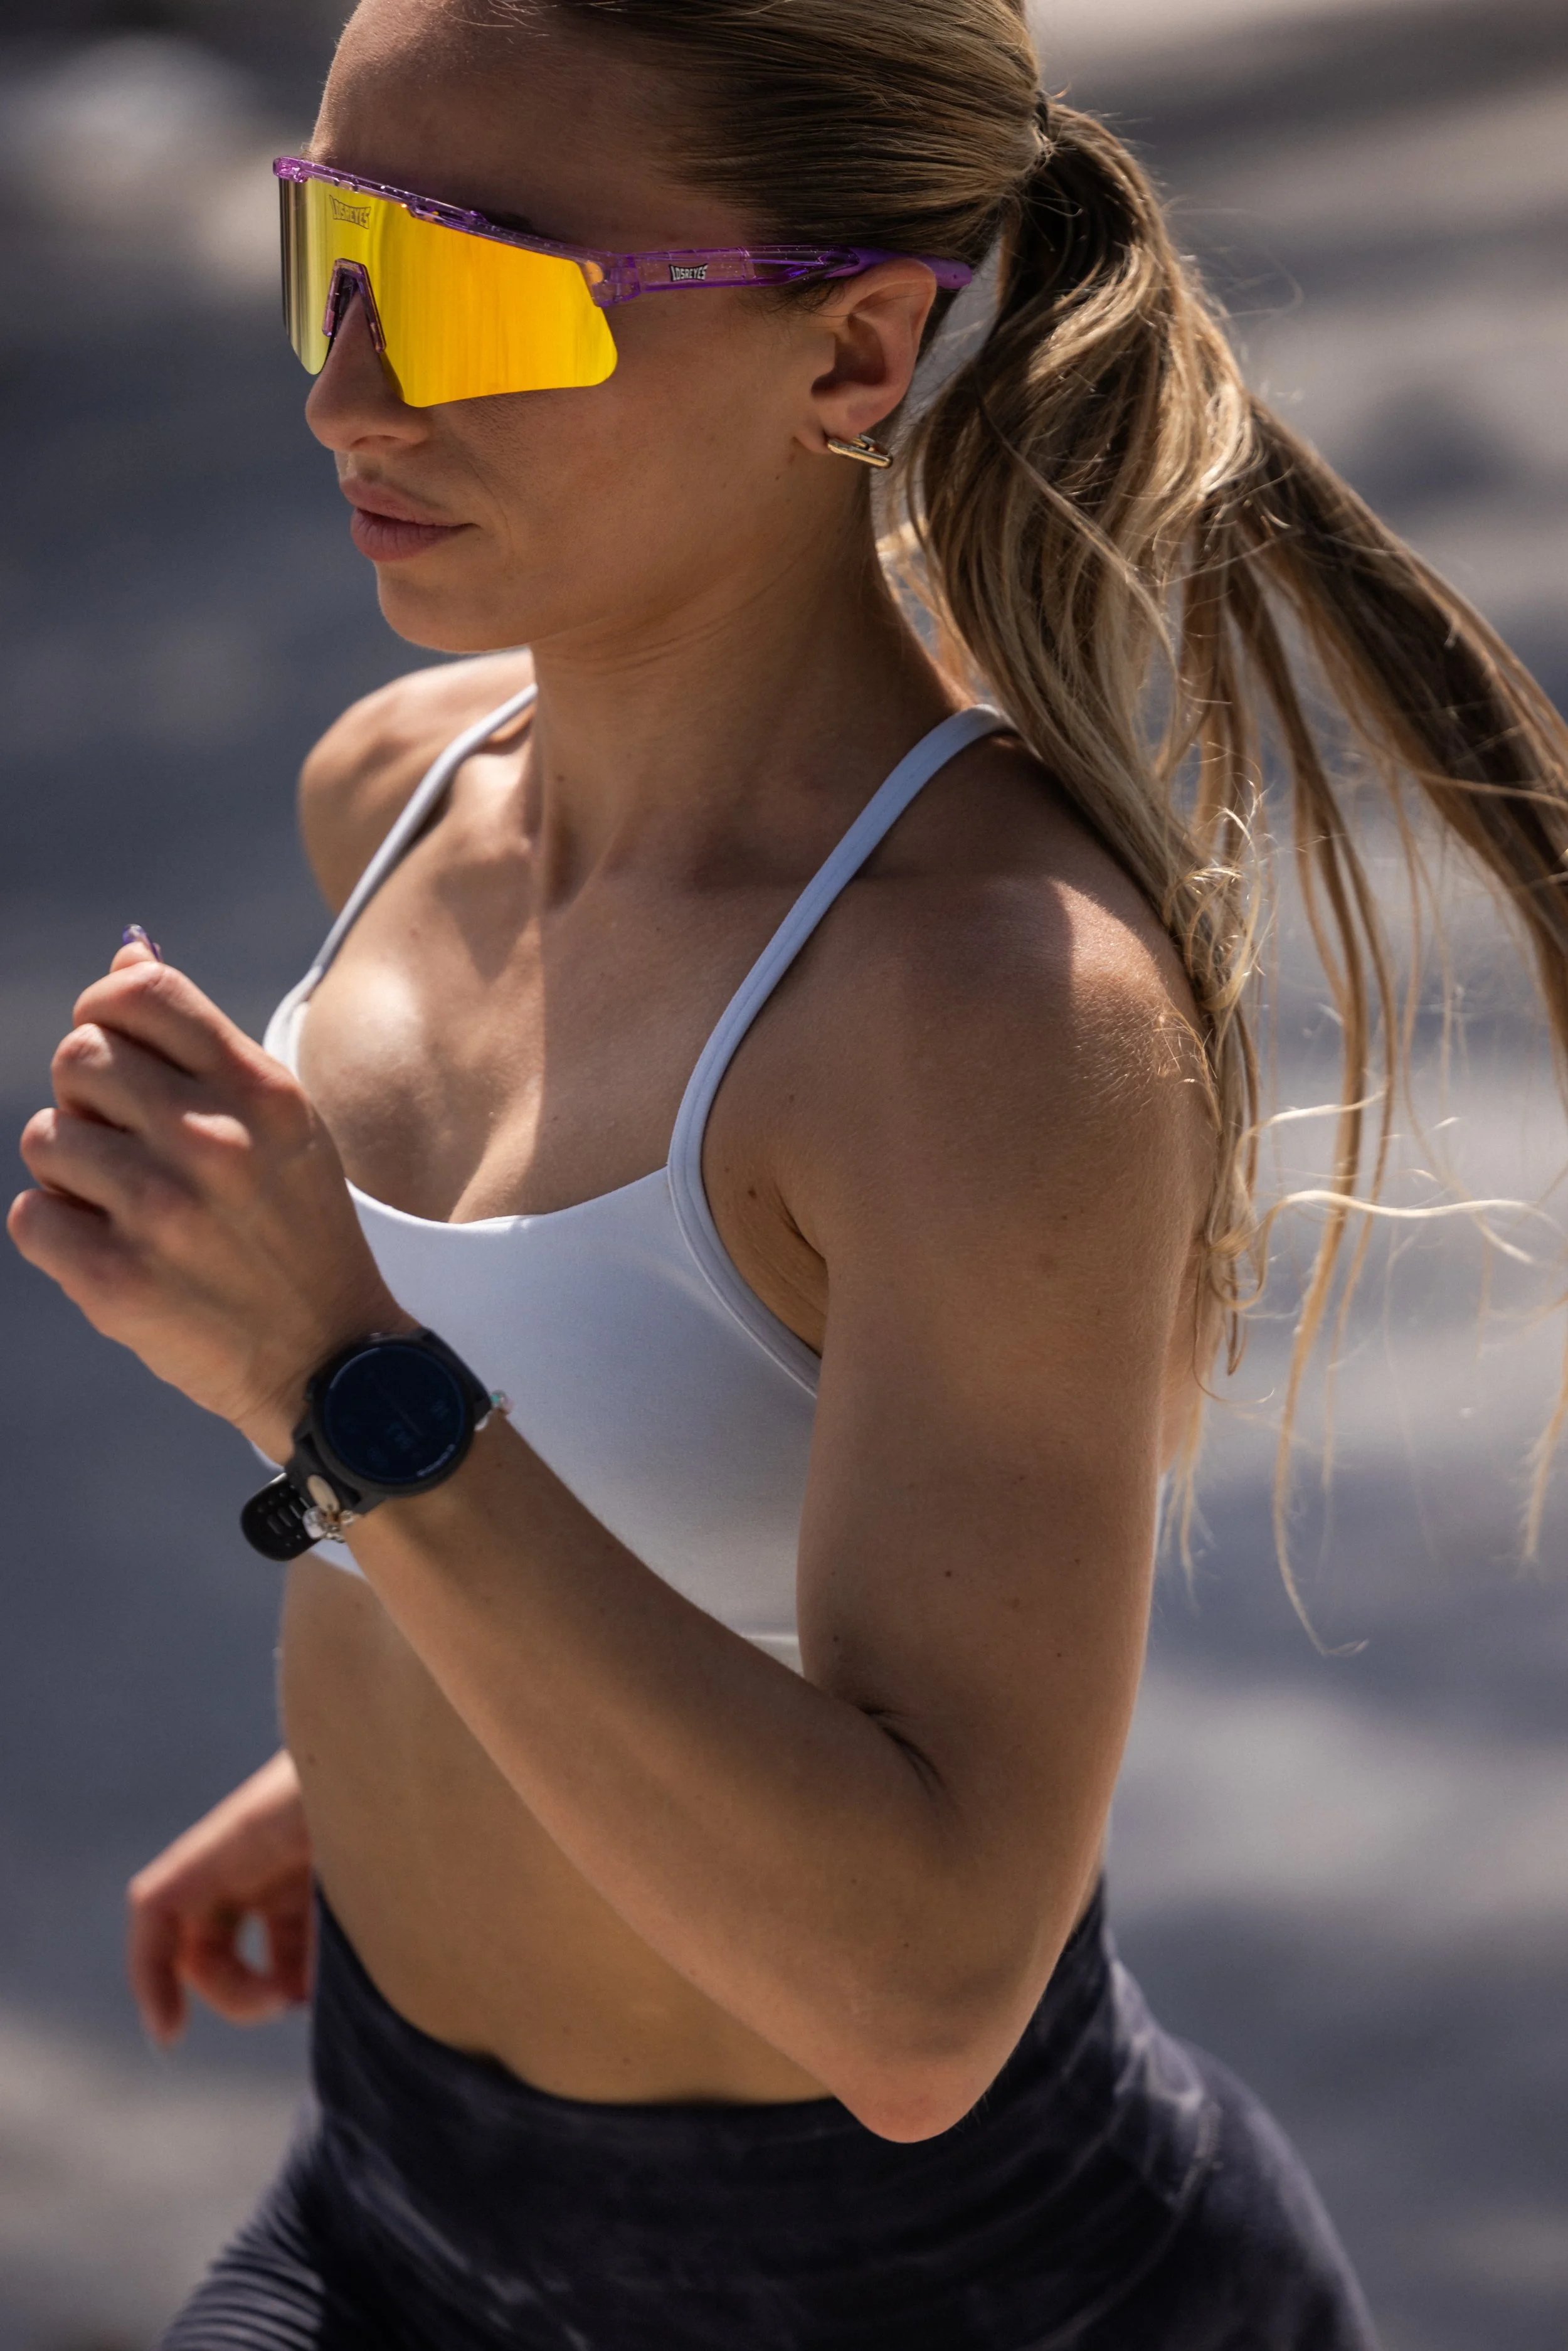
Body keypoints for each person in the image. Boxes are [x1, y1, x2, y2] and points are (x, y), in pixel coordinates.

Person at [11, 0, 1566, 2343]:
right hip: (388, 2195)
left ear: (850, 350)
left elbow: (925, 1998)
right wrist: (407, 1731)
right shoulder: (400, 791)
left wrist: (332, 1370)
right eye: (327, 248)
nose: (345, 388)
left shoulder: (985, 1017)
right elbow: (663, 1481)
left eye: (460, 288)